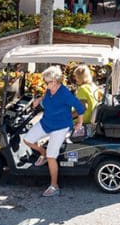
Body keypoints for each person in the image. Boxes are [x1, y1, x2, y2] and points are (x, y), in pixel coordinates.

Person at [23, 67, 86, 198]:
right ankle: (42, 153)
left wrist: (79, 123)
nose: (45, 85)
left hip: (61, 127)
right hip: (46, 122)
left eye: (47, 82)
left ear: (55, 81)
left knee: (52, 156)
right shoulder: (49, 89)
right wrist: (39, 100)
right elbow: (46, 95)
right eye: (45, 82)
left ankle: (54, 186)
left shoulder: (65, 94)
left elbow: (80, 107)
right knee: (27, 139)